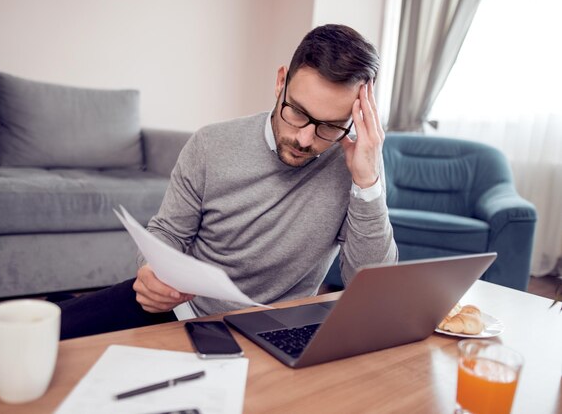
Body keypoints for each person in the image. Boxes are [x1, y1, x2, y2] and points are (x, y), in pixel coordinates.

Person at [58, 24, 398, 340]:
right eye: (296, 112)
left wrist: (367, 183)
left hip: (275, 327)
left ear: (355, 118)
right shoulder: (211, 144)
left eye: (329, 126)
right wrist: (151, 271)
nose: (305, 139)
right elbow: (168, 232)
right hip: (184, 312)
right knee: (55, 327)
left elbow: (374, 290)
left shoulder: (357, 164)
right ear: (281, 81)